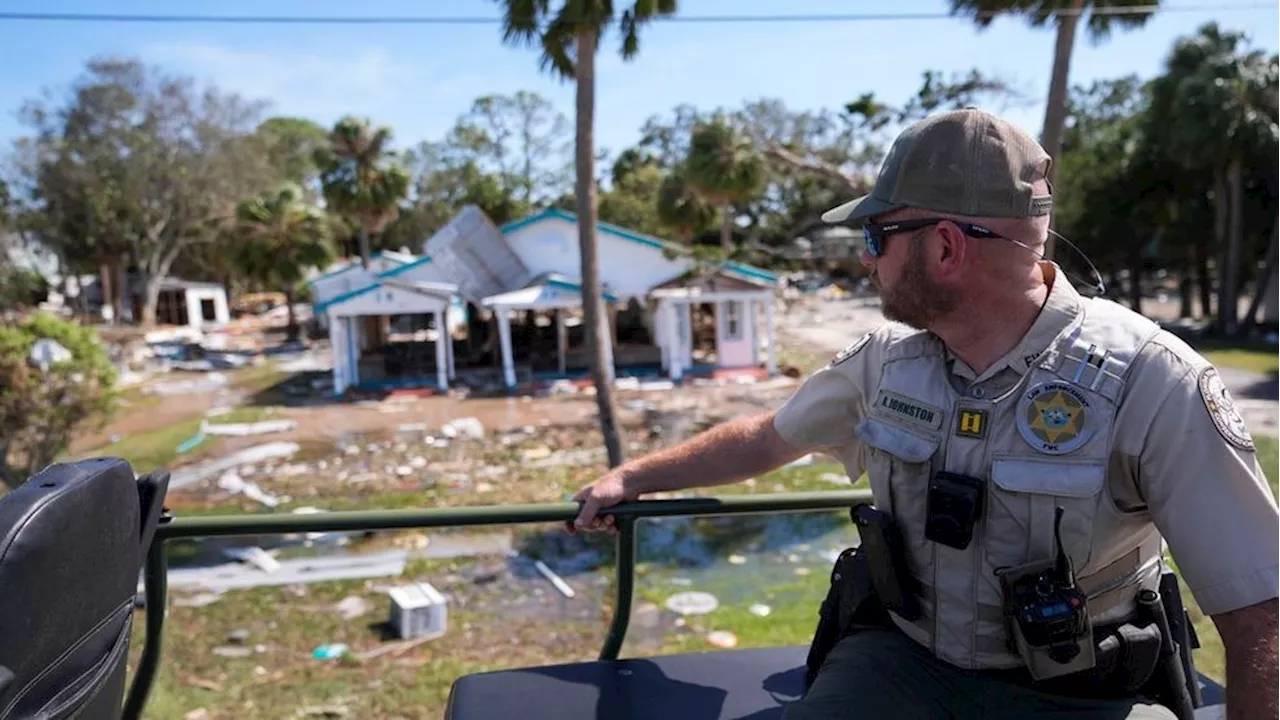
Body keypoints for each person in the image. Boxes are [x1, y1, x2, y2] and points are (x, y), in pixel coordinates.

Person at [567, 108, 1280, 719]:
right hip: (901, 664)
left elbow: (1259, 614)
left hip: (1077, 695)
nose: (867, 262)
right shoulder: (883, 362)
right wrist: (633, 477)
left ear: (943, 247)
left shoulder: (1152, 380)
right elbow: (764, 440)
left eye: (876, 237)